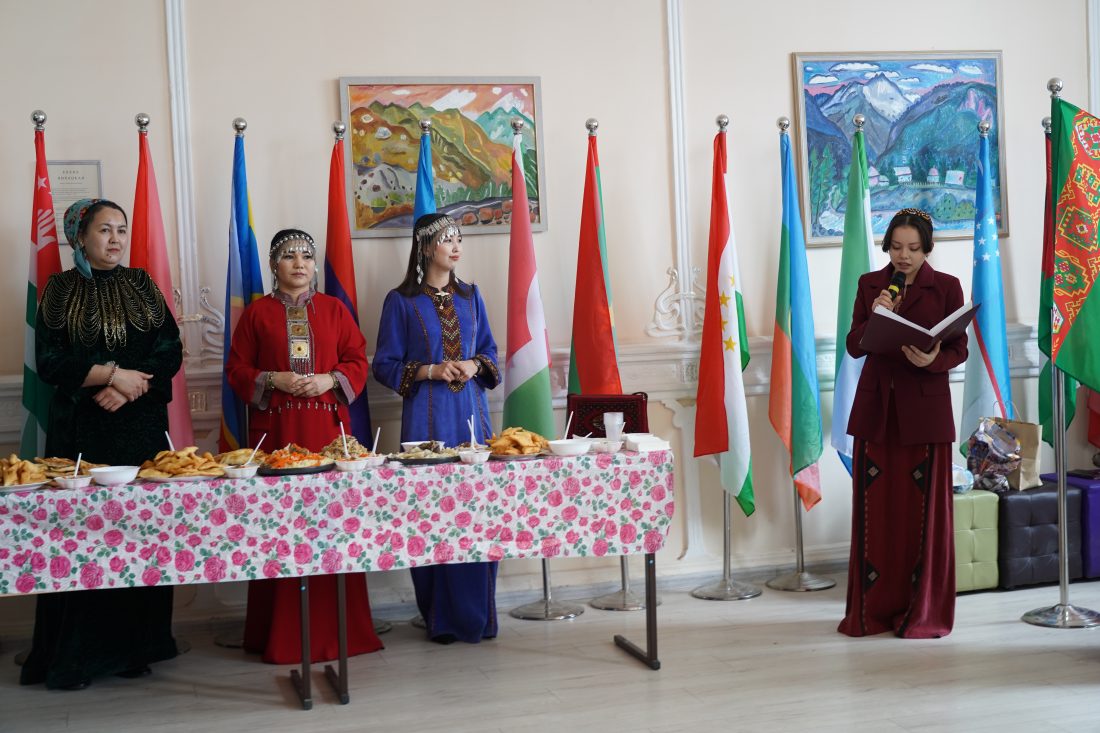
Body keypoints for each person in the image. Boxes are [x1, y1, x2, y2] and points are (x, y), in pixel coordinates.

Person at [22, 198, 182, 689]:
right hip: (81, 434)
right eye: (104, 230)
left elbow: (170, 350)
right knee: (82, 539)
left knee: (138, 535)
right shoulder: (58, 289)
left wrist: (129, 386)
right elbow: (50, 362)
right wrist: (111, 376)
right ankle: (75, 658)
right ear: (80, 237)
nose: (115, 239)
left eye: (121, 230)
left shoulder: (143, 284)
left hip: (139, 431)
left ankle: (135, 650)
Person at [225, 228, 383, 664]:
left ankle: (344, 633)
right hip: (276, 436)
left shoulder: (334, 310)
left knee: (334, 529)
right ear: (273, 265)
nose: (300, 263)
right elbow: (236, 370)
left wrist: (329, 379)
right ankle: (280, 635)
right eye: (289, 256)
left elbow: (357, 360)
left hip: (328, 437)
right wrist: (272, 379)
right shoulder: (256, 314)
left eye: (306, 256)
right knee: (280, 531)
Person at [840, 208, 968, 638]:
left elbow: (959, 348)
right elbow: (854, 345)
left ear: (927, 249)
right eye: (896, 247)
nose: (904, 256)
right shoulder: (869, 285)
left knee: (921, 516)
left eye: (913, 248)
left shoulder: (946, 286)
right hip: (877, 413)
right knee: (877, 514)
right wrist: (875, 317)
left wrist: (934, 359)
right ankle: (871, 612)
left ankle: (920, 611)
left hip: (925, 415)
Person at [373, 213, 501, 644]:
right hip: (425, 422)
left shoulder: (471, 296)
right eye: (447, 239)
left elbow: (489, 352)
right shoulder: (401, 301)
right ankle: (440, 618)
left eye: (459, 237)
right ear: (426, 247)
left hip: (472, 419)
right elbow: (384, 365)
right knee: (431, 514)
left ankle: (479, 617)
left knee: (477, 514)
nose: (456, 245)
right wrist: (430, 370)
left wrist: (474, 364)